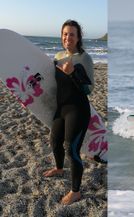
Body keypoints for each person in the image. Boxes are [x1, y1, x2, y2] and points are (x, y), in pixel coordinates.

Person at [42, 20, 94, 205]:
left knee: (72, 150)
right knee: (54, 141)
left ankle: (76, 191)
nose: (67, 37)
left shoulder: (84, 58)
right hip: (61, 108)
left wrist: (73, 73)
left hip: (78, 110)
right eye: (65, 34)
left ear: (78, 37)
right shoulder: (58, 55)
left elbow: (89, 89)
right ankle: (59, 168)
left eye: (72, 34)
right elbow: (51, 83)